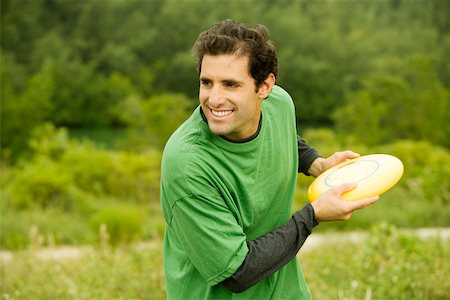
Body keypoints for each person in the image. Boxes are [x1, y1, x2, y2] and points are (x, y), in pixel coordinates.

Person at [160, 19, 379, 299]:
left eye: (230, 84)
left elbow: (284, 133)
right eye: (207, 82)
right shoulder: (188, 165)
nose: (214, 99)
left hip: (287, 292)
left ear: (264, 87)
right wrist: (312, 215)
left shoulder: (279, 104)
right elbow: (237, 272)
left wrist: (316, 163)